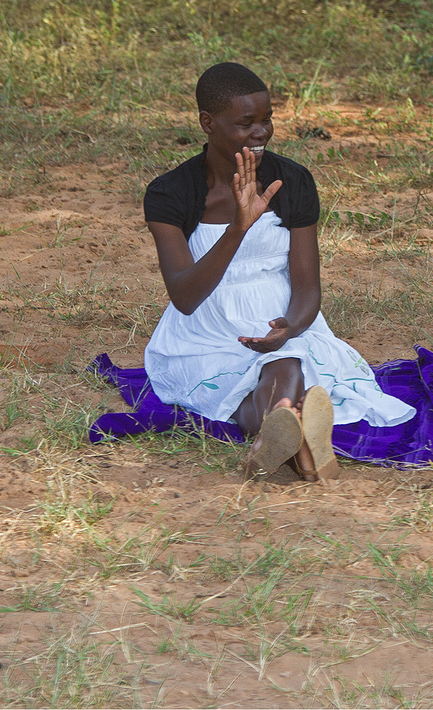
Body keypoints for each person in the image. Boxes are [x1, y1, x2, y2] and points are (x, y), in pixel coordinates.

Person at [141, 62, 416, 480]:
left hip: (280, 314)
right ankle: (302, 443)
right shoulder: (169, 192)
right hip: (204, 327)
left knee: (286, 361)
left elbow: (307, 287)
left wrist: (289, 328)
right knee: (270, 379)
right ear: (207, 123)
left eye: (267, 119)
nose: (261, 132)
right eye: (246, 122)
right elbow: (184, 295)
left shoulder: (293, 181)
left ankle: (278, 436)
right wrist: (237, 228)